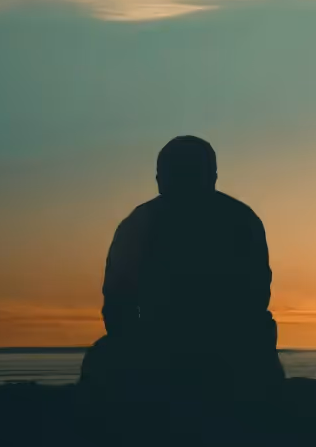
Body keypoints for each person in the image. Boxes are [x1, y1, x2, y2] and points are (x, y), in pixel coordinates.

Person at [92, 134, 284, 395]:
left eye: (190, 174)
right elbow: (117, 302)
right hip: (168, 344)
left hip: (223, 347)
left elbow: (116, 301)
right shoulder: (241, 219)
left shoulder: (239, 221)